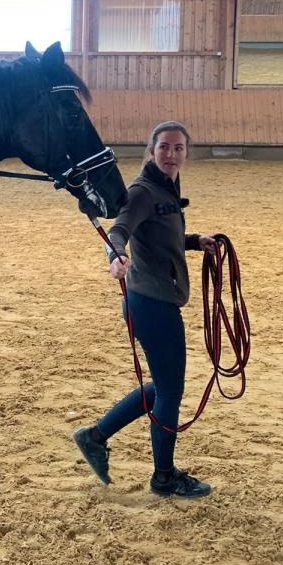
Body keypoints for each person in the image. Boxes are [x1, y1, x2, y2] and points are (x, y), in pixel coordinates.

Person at [72, 122, 217, 498]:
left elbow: (158, 236)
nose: (171, 154)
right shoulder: (142, 190)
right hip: (151, 303)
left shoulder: (166, 188)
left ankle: (95, 435)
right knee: (170, 391)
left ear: (187, 153)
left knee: (162, 387)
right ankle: (164, 477)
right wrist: (115, 253)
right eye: (164, 147)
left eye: (178, 148)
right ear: (152, 149)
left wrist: (194, 241)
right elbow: (120, 229)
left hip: (153, 299)